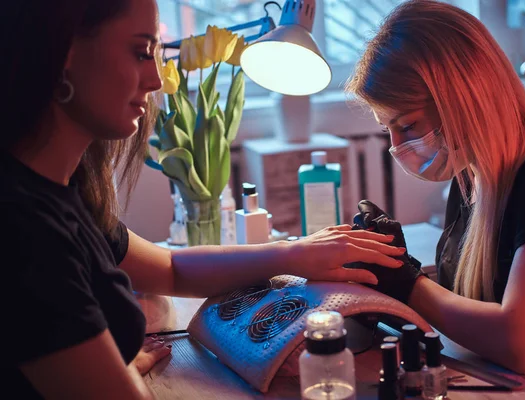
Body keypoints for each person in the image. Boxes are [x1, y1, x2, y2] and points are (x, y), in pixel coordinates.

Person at [1, 1, 406, 398]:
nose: (157, 80)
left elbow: (172, 268)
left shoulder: (65, 194)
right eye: (141, 52)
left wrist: (293, 253)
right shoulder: (24, 229)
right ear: (65, 52)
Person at [345, 0, 525, 396]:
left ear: (462, 99)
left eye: (407, 124)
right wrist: (389, 266)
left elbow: (522, 343)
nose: (396, 147)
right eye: (387, 131)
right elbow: (467, 310)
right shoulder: (470, 180)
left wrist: (409, 282)